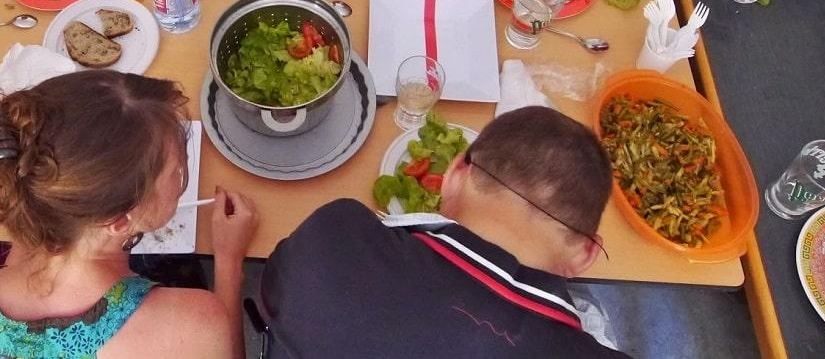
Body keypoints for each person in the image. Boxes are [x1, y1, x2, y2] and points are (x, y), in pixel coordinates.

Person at [0, 71, 258, 359]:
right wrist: (229, 262)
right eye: (176, 173)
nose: (181, 175)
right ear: (120, 221)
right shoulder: (191, 323)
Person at [260, 107, 626, 357]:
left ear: (451, 175)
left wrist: (229, 264)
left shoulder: (333, 243)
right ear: (586, 254)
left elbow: (271, 295)